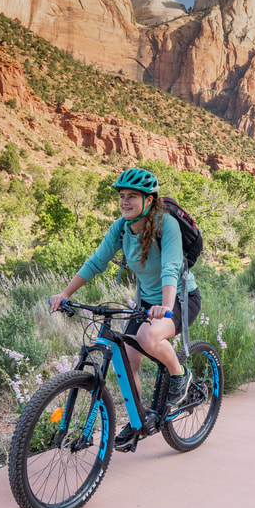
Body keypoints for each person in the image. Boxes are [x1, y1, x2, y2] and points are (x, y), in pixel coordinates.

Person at [49, 167, 201, 448]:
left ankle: (180, 376)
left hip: (180, 298)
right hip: (146, 302)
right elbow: (96, 262)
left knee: (148, 337)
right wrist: (65, 293)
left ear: (149, 200)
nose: (125, 201)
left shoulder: (166, 225)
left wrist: (165, 307)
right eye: (122, 196)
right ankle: (137, 423)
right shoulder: (120, 228)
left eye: (133, 196)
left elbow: (170, 267)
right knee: (127, 362)